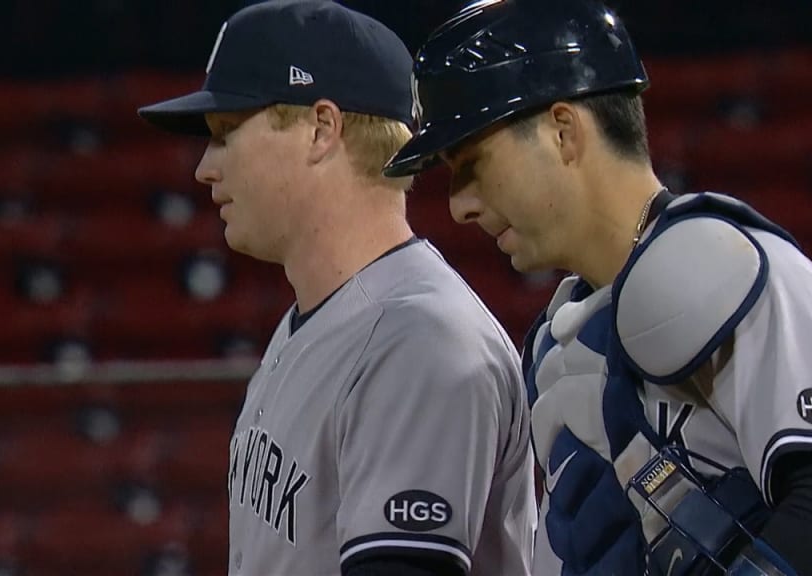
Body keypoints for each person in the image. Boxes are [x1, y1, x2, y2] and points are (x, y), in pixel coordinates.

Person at [383, 0, 812, 574]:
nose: (458, 206)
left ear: (563, 130)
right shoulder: (557, 341)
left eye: (472, 162)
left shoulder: (724, 268)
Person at [138, 1, 537, 575]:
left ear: (322, 129)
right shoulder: (319, 320)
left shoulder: (421, 342)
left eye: (226, 133)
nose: (205, 167)